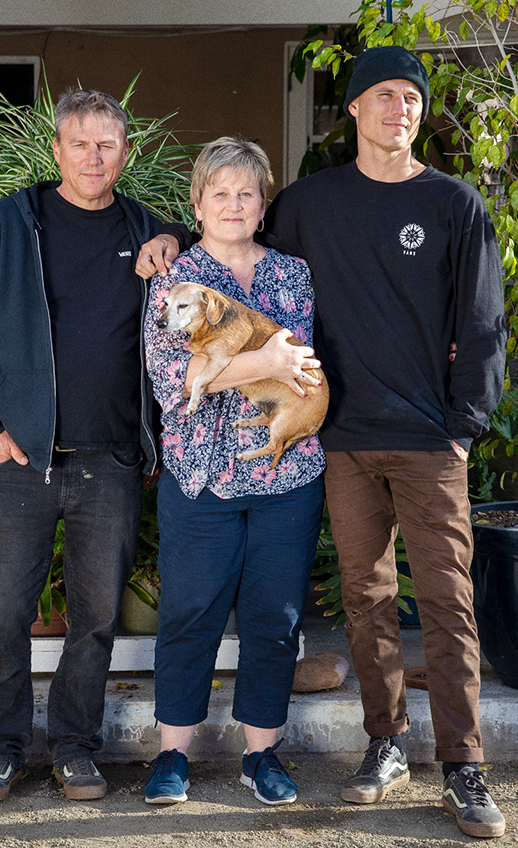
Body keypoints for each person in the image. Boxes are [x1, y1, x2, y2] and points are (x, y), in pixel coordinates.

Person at [136, 46, 508, 838]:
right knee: (366, 601)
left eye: (410, 97)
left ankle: (464, 766)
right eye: (380, 95)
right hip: (336, 444)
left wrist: (465, 431)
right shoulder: (314, 202)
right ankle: (386, 745)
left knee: (445, 601)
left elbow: (481, 326)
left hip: (420, 442)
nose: (396, 108)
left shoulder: (453, 205)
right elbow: (228, 222)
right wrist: (167, 238)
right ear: (353, 110)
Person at [0, 88, 186, 803]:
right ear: (56, 150)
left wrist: (173, 233)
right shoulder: (9, 224)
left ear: (125, 154)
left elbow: (204, 243)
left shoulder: (145, 228)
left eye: (106, 145)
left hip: (109, 463)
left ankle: (76, 747)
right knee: (7, 614)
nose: (92, 158)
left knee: (96, 620)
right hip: (22, 460)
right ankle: (0, 749)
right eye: (79, 144)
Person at [140, 137, 325, 808]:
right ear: (196, 204)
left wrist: (261, 366)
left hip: (287, 475)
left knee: (273, 618)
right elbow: (175, 376)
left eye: (246, 192)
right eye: (219, 192)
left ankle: (261, 754)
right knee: (190, 613)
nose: (233, 204)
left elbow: (300, 366)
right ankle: (172, 756)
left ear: (263, 203)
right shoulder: (173, 279)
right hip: (202, 475)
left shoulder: (292, 275)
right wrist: (265, 363)